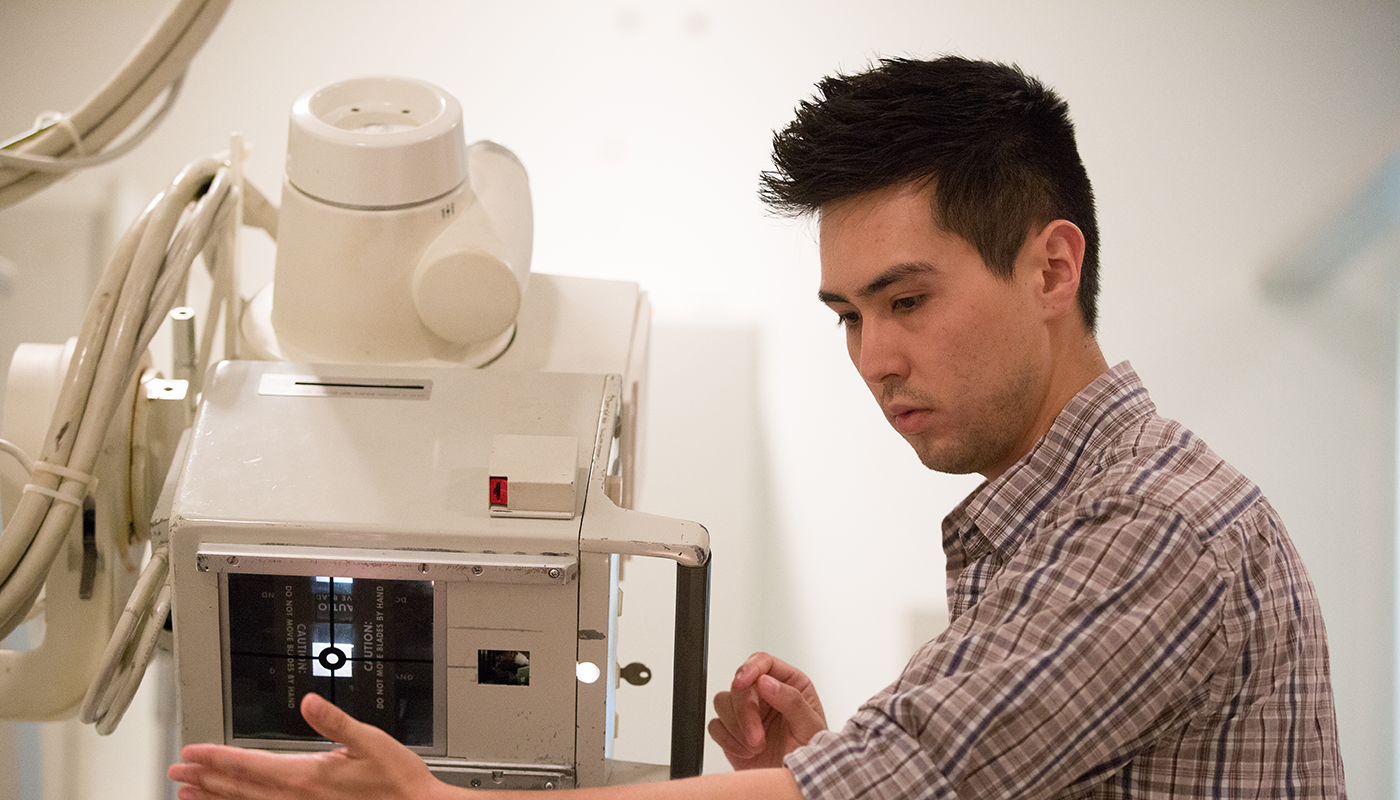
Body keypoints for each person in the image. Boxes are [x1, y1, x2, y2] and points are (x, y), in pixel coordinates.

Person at [169, 56, 1345, 799]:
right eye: (846, 314)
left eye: (907, 300)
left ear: (1050, 265)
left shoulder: (1155, 525)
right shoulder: (1046, 536)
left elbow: (916, 770)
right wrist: (803, 770)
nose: (872, 358)